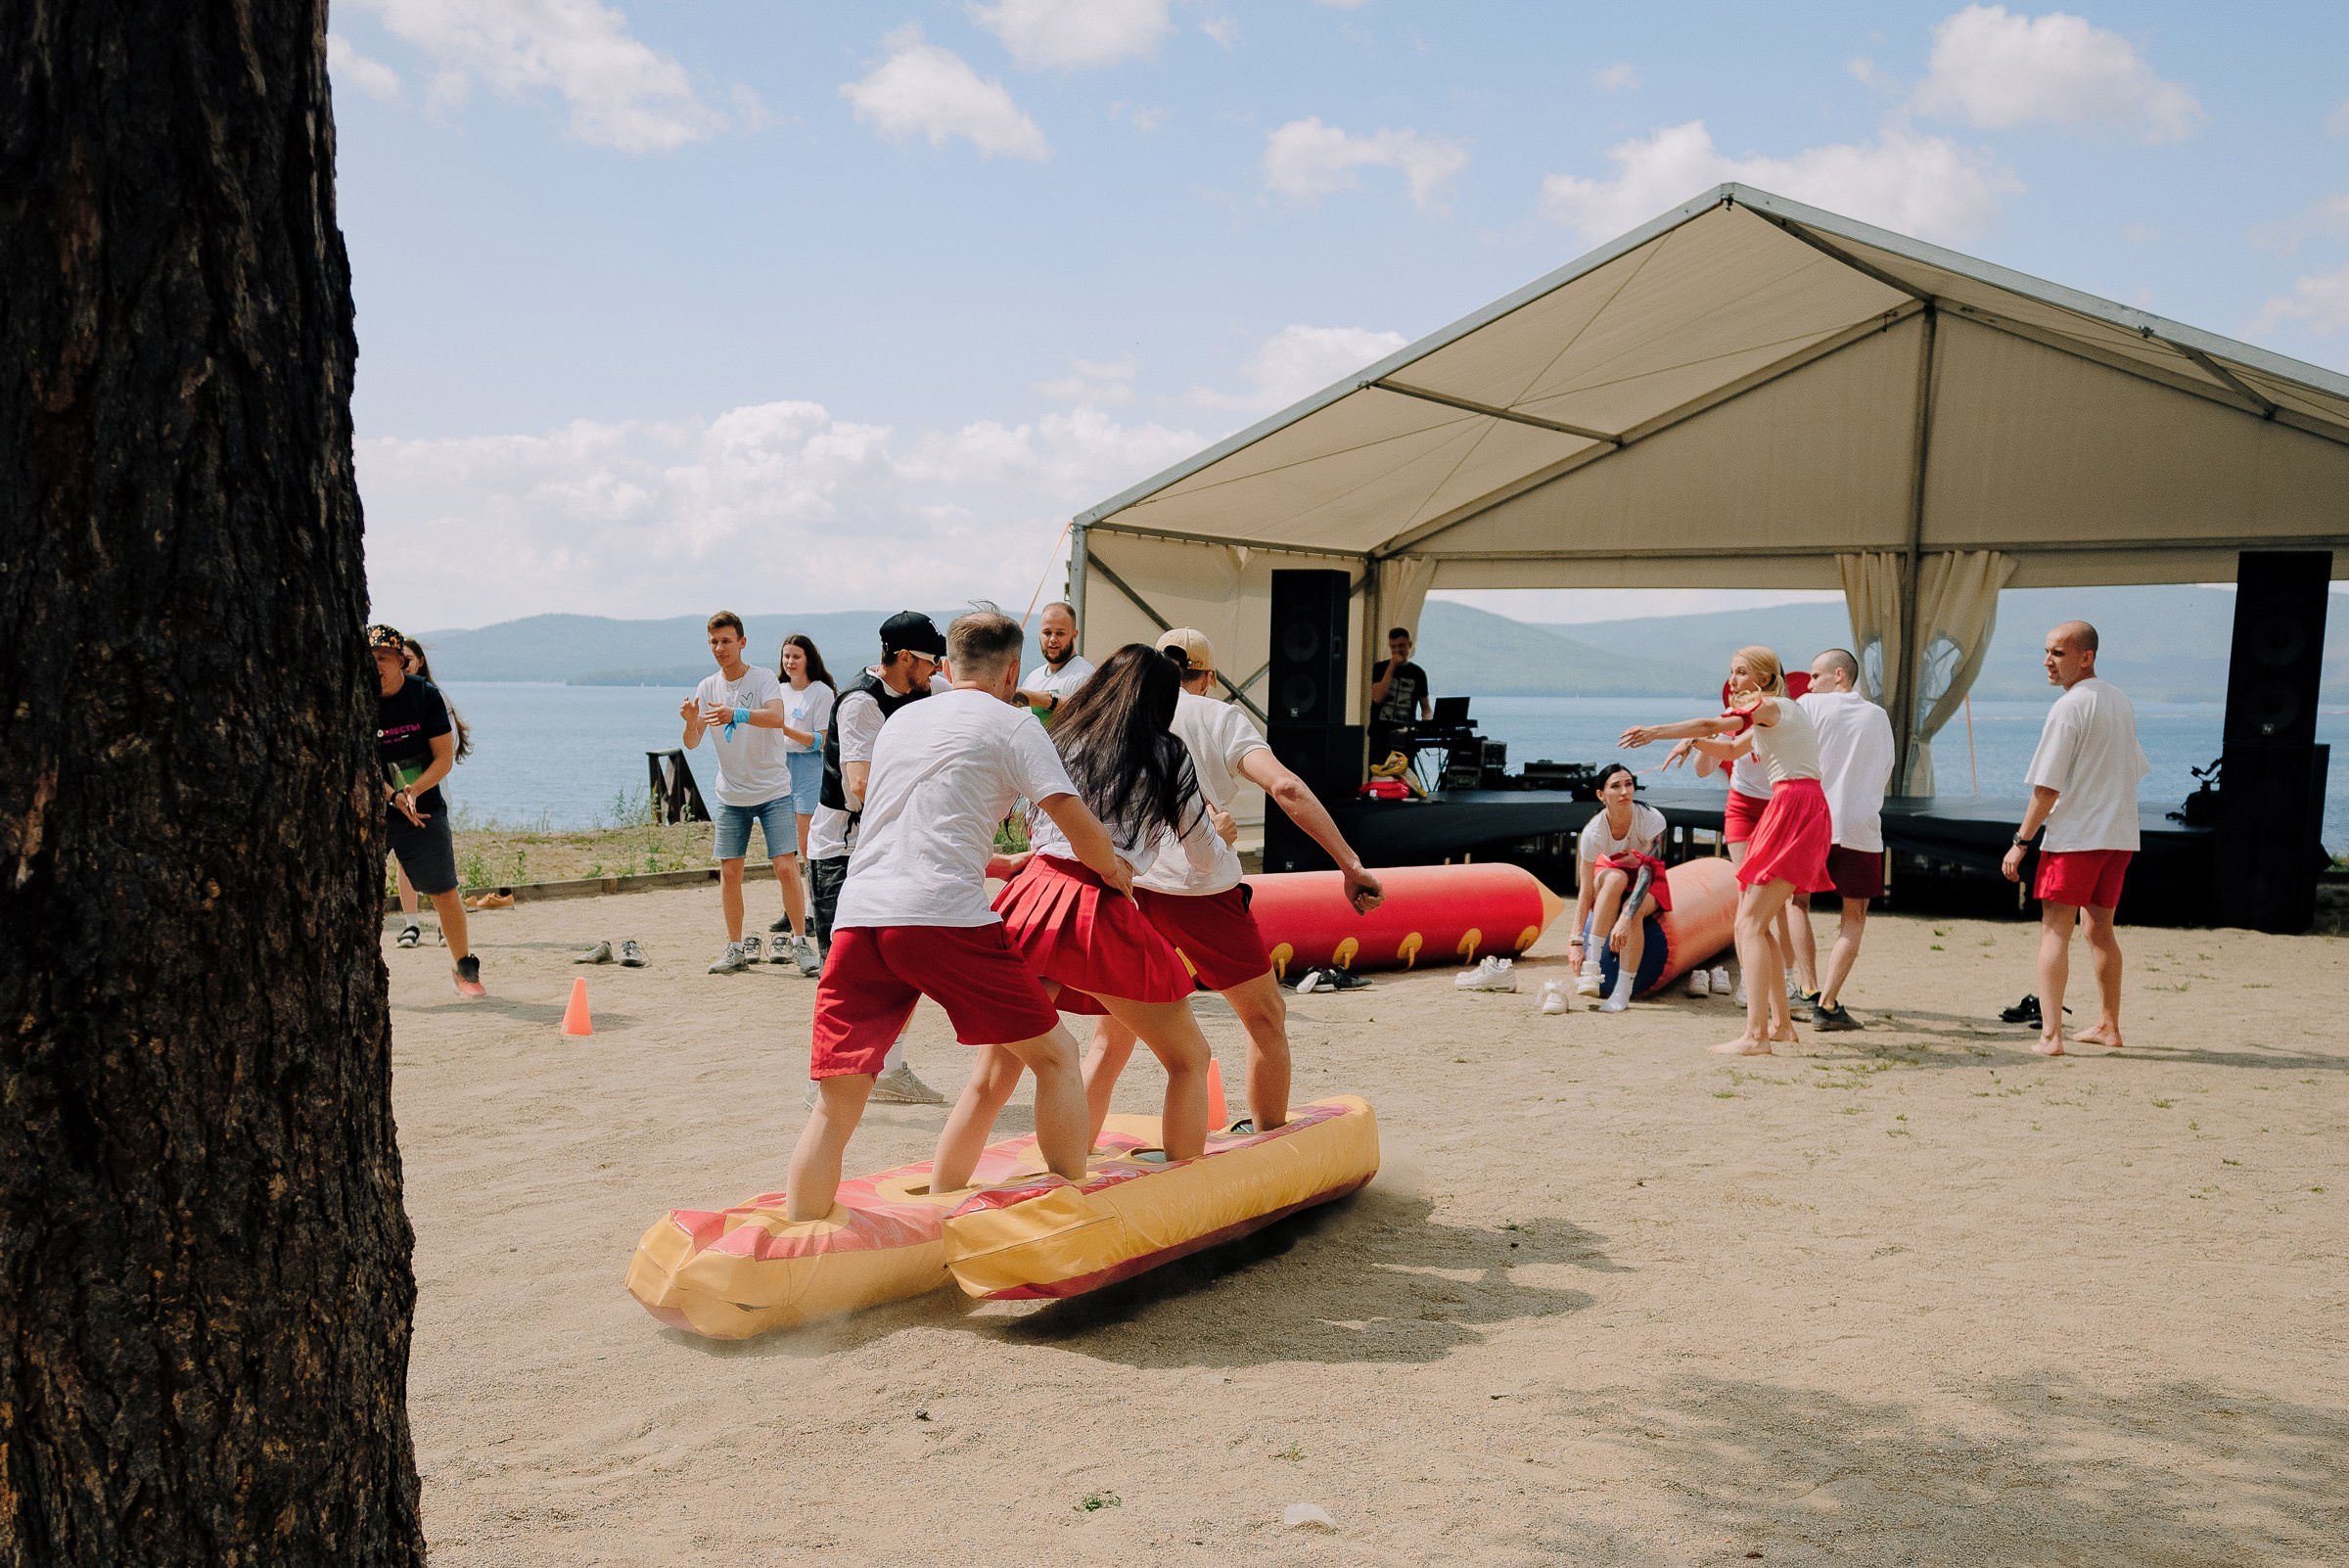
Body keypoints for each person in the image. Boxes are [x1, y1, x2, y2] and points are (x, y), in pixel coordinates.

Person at [784, 611, 1132, 1220]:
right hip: (942, 917)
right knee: (1056, 1057)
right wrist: (1116, 873)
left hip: (860, 914)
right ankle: (1070, 1216)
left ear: (946, 665)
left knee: (836, 1105)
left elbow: (907, 822)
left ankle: (797, 1241)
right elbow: (1078, 826)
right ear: (1014, 671)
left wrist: (994, 862)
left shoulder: (901, 720)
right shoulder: (1015, 724)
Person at [1082, 628, 1384, 1135]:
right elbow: (1286, 787)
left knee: (1111, 1037)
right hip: (1198, 891)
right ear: (1208, 678)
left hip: (1127, 884)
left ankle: (1074, 1156)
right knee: (1264, 1016)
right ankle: (1270, 1136)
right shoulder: (1220, 718)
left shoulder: (1123, 714)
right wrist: (1349, 864)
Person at [989, 644, 1227, 1165]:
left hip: (1031, 896)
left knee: (997, 1074)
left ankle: (953, 1186)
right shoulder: (1166, 753)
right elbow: (1204, 856)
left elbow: (1038, 823)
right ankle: (1184, 1178)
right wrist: (1221, 835)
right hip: (1098, 904)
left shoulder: (1062, 737)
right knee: (1189, 1058)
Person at [1623, 646, 1833, 1054]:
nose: (1732, 681)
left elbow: (1712, 723)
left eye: (1740, 672)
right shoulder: (1781, 712)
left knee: (1747, 924)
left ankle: (1756, 1036)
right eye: (1731, 672)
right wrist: (1695, 741)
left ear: (1764, 678)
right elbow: (1732, 750)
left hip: (1793, 806)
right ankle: (1780, 1026)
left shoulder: (1769, 707)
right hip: (1797, 805)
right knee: (1758, 923)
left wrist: (1656, 731)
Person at [805, 611, 954, 1105]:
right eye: (931, 660)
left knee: (902, 963)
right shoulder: (860, 703)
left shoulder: (929, 689)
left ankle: (891, 1069)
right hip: (843, 849)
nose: (937, 669)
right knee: (841, 971)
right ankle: (822, 1081)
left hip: (893, 842)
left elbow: (967, 703)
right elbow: (860, 786)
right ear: (904, 657)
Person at [2003, 621, 2148, 1057]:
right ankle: (2108, 1025)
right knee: (2099, 930)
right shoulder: (2119, 699)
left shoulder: (2069, 707)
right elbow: (2134, 769)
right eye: (2046, 651)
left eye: (2058, 653)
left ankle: (2051, 1036)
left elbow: (2047, 788)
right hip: (2118, 836)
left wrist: (2021, 842)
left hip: (2077, 839)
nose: (2047, 661)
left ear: (2087, 657)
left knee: (2055, 931)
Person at [679, 612, 801, 976]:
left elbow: (776, 718)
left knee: (785, 867)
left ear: (742, 642)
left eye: (726, 641)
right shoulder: (706, 687)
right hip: (731, 795)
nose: (720, 648)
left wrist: (737, 713)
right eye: (714, 642)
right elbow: (692, 741)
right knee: (730, 872)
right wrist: (689, 722)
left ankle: (800, 943)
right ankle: (735, 949)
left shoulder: (762, 678)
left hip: (773, 789)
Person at [370, 624, 484, 998]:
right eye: (369, 658)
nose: (376, 665)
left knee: (444, 890)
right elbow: (361, 764)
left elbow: (443, 758)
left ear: (401, 662)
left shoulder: (425, 695)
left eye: (383, 657)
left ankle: (464, 967)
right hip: (372, 810)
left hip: (424, 806)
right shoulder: (357, 700)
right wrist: (393, 797)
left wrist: (415, 790)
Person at [1786, 648, 1896, 1033]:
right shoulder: (1878, 716)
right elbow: (1885, 769)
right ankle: (1828, 1003)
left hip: (1814, 819)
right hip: (1859, 825)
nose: (1809, 683)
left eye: (1815, 676)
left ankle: (1809, 986)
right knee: (1854, 915)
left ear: (1838, 674)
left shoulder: (1807, 706)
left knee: (1797, 901)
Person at [1565, 764, 1671, 1015]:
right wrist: (1576, 940)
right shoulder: (1594, 832)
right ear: (1601, 795)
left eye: (1629, 784)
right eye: (1615, 786)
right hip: (1613, 873)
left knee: (1632, 912)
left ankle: (1622, 992)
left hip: (1647, 877)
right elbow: (1586, 890)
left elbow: (1648, 871)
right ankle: (1592, 967)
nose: (1624, 791)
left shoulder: (1651, 818)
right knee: (1615, 878)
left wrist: (1625, 916)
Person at [761, 631, 834, 977]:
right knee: (784, 848)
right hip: (779, 768)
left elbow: (821, 740)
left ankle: (812, 912)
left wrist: (785, 729)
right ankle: (793, 911)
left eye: (796, 657)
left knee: (806, 846)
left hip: (808, 769)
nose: (789, 662)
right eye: (786, 656)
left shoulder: (821, 692)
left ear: (809, 660)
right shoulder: (777, 691)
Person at [391, 637, 471, 948]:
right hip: (395, 793)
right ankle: (411, 924)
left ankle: (442, 926)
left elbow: (446, 749)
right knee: (404, 860)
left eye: (407, 660)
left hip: (430, 791)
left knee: (439, 864)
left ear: (420, 662)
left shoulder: (432, 698)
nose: (402, 666)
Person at [1013, 601, 1094, 720]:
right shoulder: (1032, 678)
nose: (1052, 639)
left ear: (1074, 635)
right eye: (1047, 632)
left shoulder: (1084, 676)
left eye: (1060, 633)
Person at [1367, 625, 1433, 770]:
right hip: (1381, 736)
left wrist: (1425, 725)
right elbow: (1378, 698)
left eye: (1401, 646)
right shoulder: (1380, 668)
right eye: (1393, 647)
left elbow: (1426, 707)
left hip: (1405, 737)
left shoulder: (1418, 673)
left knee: (1405, 776)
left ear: (1409, 645)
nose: (1397, 650)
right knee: (1380, 775)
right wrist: (1391, 667)